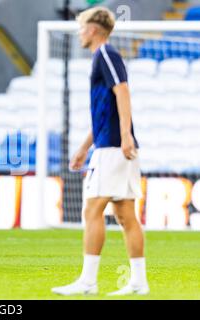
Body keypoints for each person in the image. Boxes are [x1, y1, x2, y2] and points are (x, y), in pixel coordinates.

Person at [51, 7, 149, 296]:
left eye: (82, 27)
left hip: (113, 147)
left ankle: (88, 282)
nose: (80, 32)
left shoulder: (105, 54)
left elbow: (123, 92)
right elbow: (105, 112)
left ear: (93, 29)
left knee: (92, 209)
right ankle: (139, 282)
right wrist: (83, 148)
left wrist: (125, 135)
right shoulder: (103, 57)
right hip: (110, 145)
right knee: (125, 215)